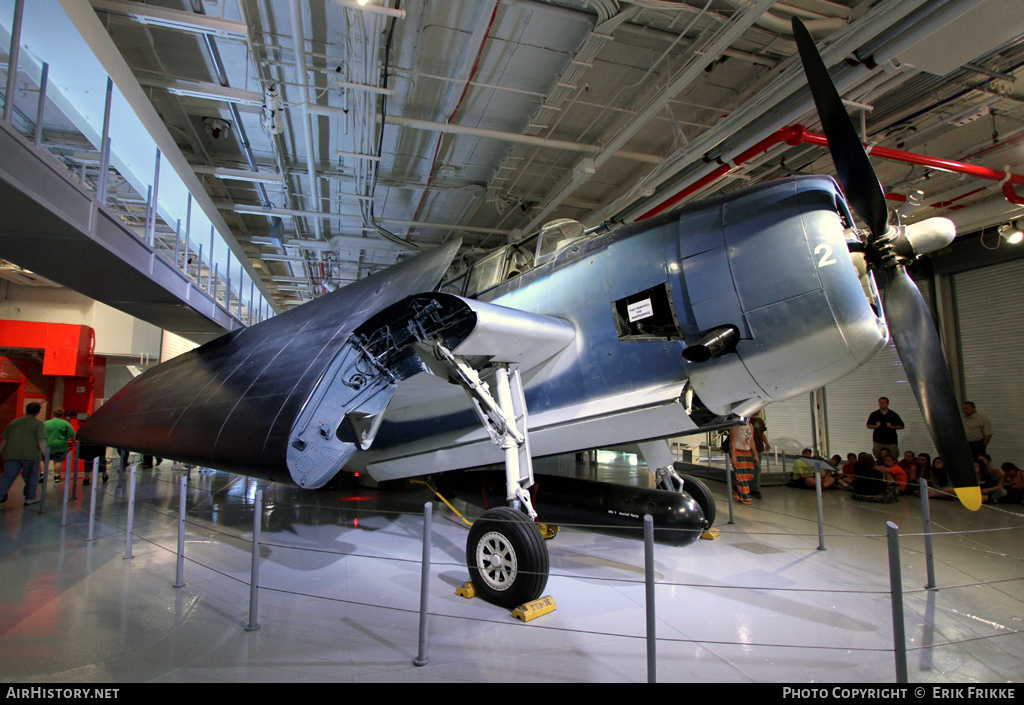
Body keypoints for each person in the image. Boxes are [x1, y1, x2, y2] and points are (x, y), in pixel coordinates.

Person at [0, 402, 48, 508]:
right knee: (31, 477)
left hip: (11, 454)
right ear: (38, 411)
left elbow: (3, 440)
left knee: (7, 477)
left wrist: (0, 452)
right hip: (30, 455)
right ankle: (30, 498)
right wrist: (46, 454)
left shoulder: (13, 423)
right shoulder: (38, 424)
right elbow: (41, 441)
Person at [44, 408, 76, 483]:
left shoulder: (46, 423)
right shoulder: (65, 423)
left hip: (47, 444)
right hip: (60, 445)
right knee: (58, 460)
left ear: (52, 414)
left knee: (43, 460)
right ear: (61, 415)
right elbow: (72, 434)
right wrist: (74, 440)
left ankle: (42, 474)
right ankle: (57, 476)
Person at [729, 422, 757, 504]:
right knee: (742, 476)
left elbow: (751, 441)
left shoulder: (750, 425)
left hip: (747, 452)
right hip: (738, 452)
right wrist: (733, 456)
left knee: (749, 475)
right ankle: (744, 497)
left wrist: (755, 454)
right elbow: (733, 440)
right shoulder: (736, 426)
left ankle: (736, 487)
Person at [750, 410, 770, 500]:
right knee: (753, 468)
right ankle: (751, 488)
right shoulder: (748, 421)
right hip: (749, 449)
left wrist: (766, 443)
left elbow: (761, 434)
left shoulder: (759, 421)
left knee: (757, 468)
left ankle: (755, 488)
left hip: (759, 448)